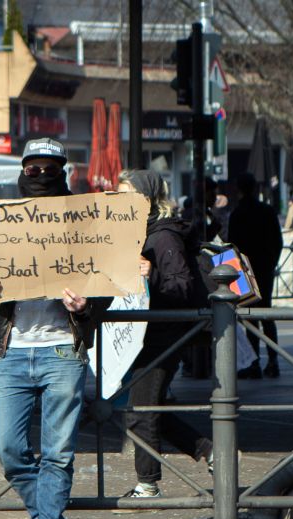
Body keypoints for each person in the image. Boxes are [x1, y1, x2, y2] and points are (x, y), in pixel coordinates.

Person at [0, 138, 110, 519]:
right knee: (9, 448)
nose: (41, 175)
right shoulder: (7, 219)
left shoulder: (83, 219)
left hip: (62, 350)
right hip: (14, 350)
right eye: (33, 169)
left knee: (58, 452)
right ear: (22, 170)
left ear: (63, 171)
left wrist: (86, 305)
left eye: (50, 168)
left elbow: (105, 279)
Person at [119, 170, 213, 498]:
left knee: (139, 410)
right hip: (148, 332)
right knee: (151, 405)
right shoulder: (141, 232)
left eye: (128, 195)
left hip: (162, 334)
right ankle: (209, 450)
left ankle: (148, 484)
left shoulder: (162, 236)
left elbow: (181, 286)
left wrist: (151, 273)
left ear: (146, 199)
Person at [227, 172, 284, 378]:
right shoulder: (267, 211)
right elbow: (278, 242)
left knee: (250, 318)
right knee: (267, 316)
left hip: (244, 271)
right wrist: (271, 263)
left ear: (239, 189)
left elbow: (232, 246)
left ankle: (254, 363)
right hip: (264, 269)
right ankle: (273, 360)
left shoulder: (237, 214)